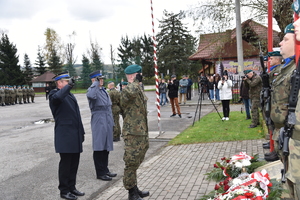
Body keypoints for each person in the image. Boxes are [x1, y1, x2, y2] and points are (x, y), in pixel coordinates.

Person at [49, 71, 85, 200]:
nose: (69, 83)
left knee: (74, 163)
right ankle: (64, 190)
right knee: (66, 164)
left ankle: (72, 187)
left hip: (74, 135)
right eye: (66, 82)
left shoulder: (69, 95)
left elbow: (76, 115)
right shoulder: (54, 95)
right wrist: (68, 87)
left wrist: (81, 132)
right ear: (59, 83)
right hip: (65, 136)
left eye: (68, 82)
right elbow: (58, 98)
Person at [120, 64, 150, 200]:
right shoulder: (128, 90)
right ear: (133, 75)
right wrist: (135, 81)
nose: (141, 76)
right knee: (131, 162)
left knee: (137, 161)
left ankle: (135, 187)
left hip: (141, 132)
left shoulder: (137, 88)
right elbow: (130, 91)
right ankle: (131, 193)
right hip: (132, 133)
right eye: (139, 74)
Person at [86, 70, 116, 181]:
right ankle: (100, 172)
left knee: (106, 146)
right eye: (99, 79)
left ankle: (105, 169)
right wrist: (95, 83)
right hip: (99, 119)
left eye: (102, 79)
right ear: (94, 80)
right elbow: (91, 96)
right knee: (99, 147)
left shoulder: (103, 90)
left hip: (107, 118)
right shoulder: (92, 90)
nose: (102, 81)